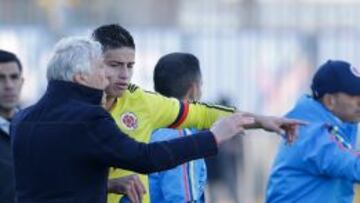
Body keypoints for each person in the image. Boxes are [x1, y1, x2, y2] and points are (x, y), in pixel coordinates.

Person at [11, 37, 257, 203]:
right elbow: (145, 157)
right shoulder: (89, 118)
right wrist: (213, 137)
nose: (107, 77)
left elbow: (58, 184)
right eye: (101, 69)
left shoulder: (23, 119)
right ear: (80, 78)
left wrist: (108, 185)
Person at [92, 23, 304, 203]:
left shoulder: (142, 103)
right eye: (115, 65)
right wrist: (109, 185)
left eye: (130, 66)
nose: (124, 75)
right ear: (93, 63)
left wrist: (260, 120)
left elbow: (203, 113)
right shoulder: (69, 107)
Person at [266, 60, 360, 203]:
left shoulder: (341, 125)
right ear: (330, 101)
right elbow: (353, 166)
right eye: (356, 98)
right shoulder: (311, 132)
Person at [149, 52, 207, 203]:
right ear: (193, 90)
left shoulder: (146, 127)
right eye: (201, 85)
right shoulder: (181, 138)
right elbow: (181, 198)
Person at [0, 50, 24, 203]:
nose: (8, 85)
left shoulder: (37, 128)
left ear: (22, 82)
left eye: (14, 77)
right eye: (0, 78)